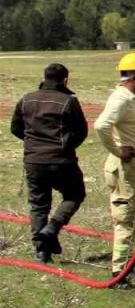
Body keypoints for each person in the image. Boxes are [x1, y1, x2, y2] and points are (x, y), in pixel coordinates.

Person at [10, 63, 87, 264]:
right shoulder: (69, 101)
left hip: (34, 160)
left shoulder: (26, 99)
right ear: (65, 80)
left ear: (44, 78)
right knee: (75, 194)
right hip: (61, 160)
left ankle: (41, 251)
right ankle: (53, 227)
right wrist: (66, 146)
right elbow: (81, 131)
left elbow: (15, 128)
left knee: (38, 205)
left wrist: (33, 144)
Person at [93, 53, 135, 280]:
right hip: (125, 167)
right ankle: (120, 270)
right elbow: (101, 126)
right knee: (126, 218)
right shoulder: (121, 99)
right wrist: (118, 150)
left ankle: (130, 262)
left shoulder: (132, 99)